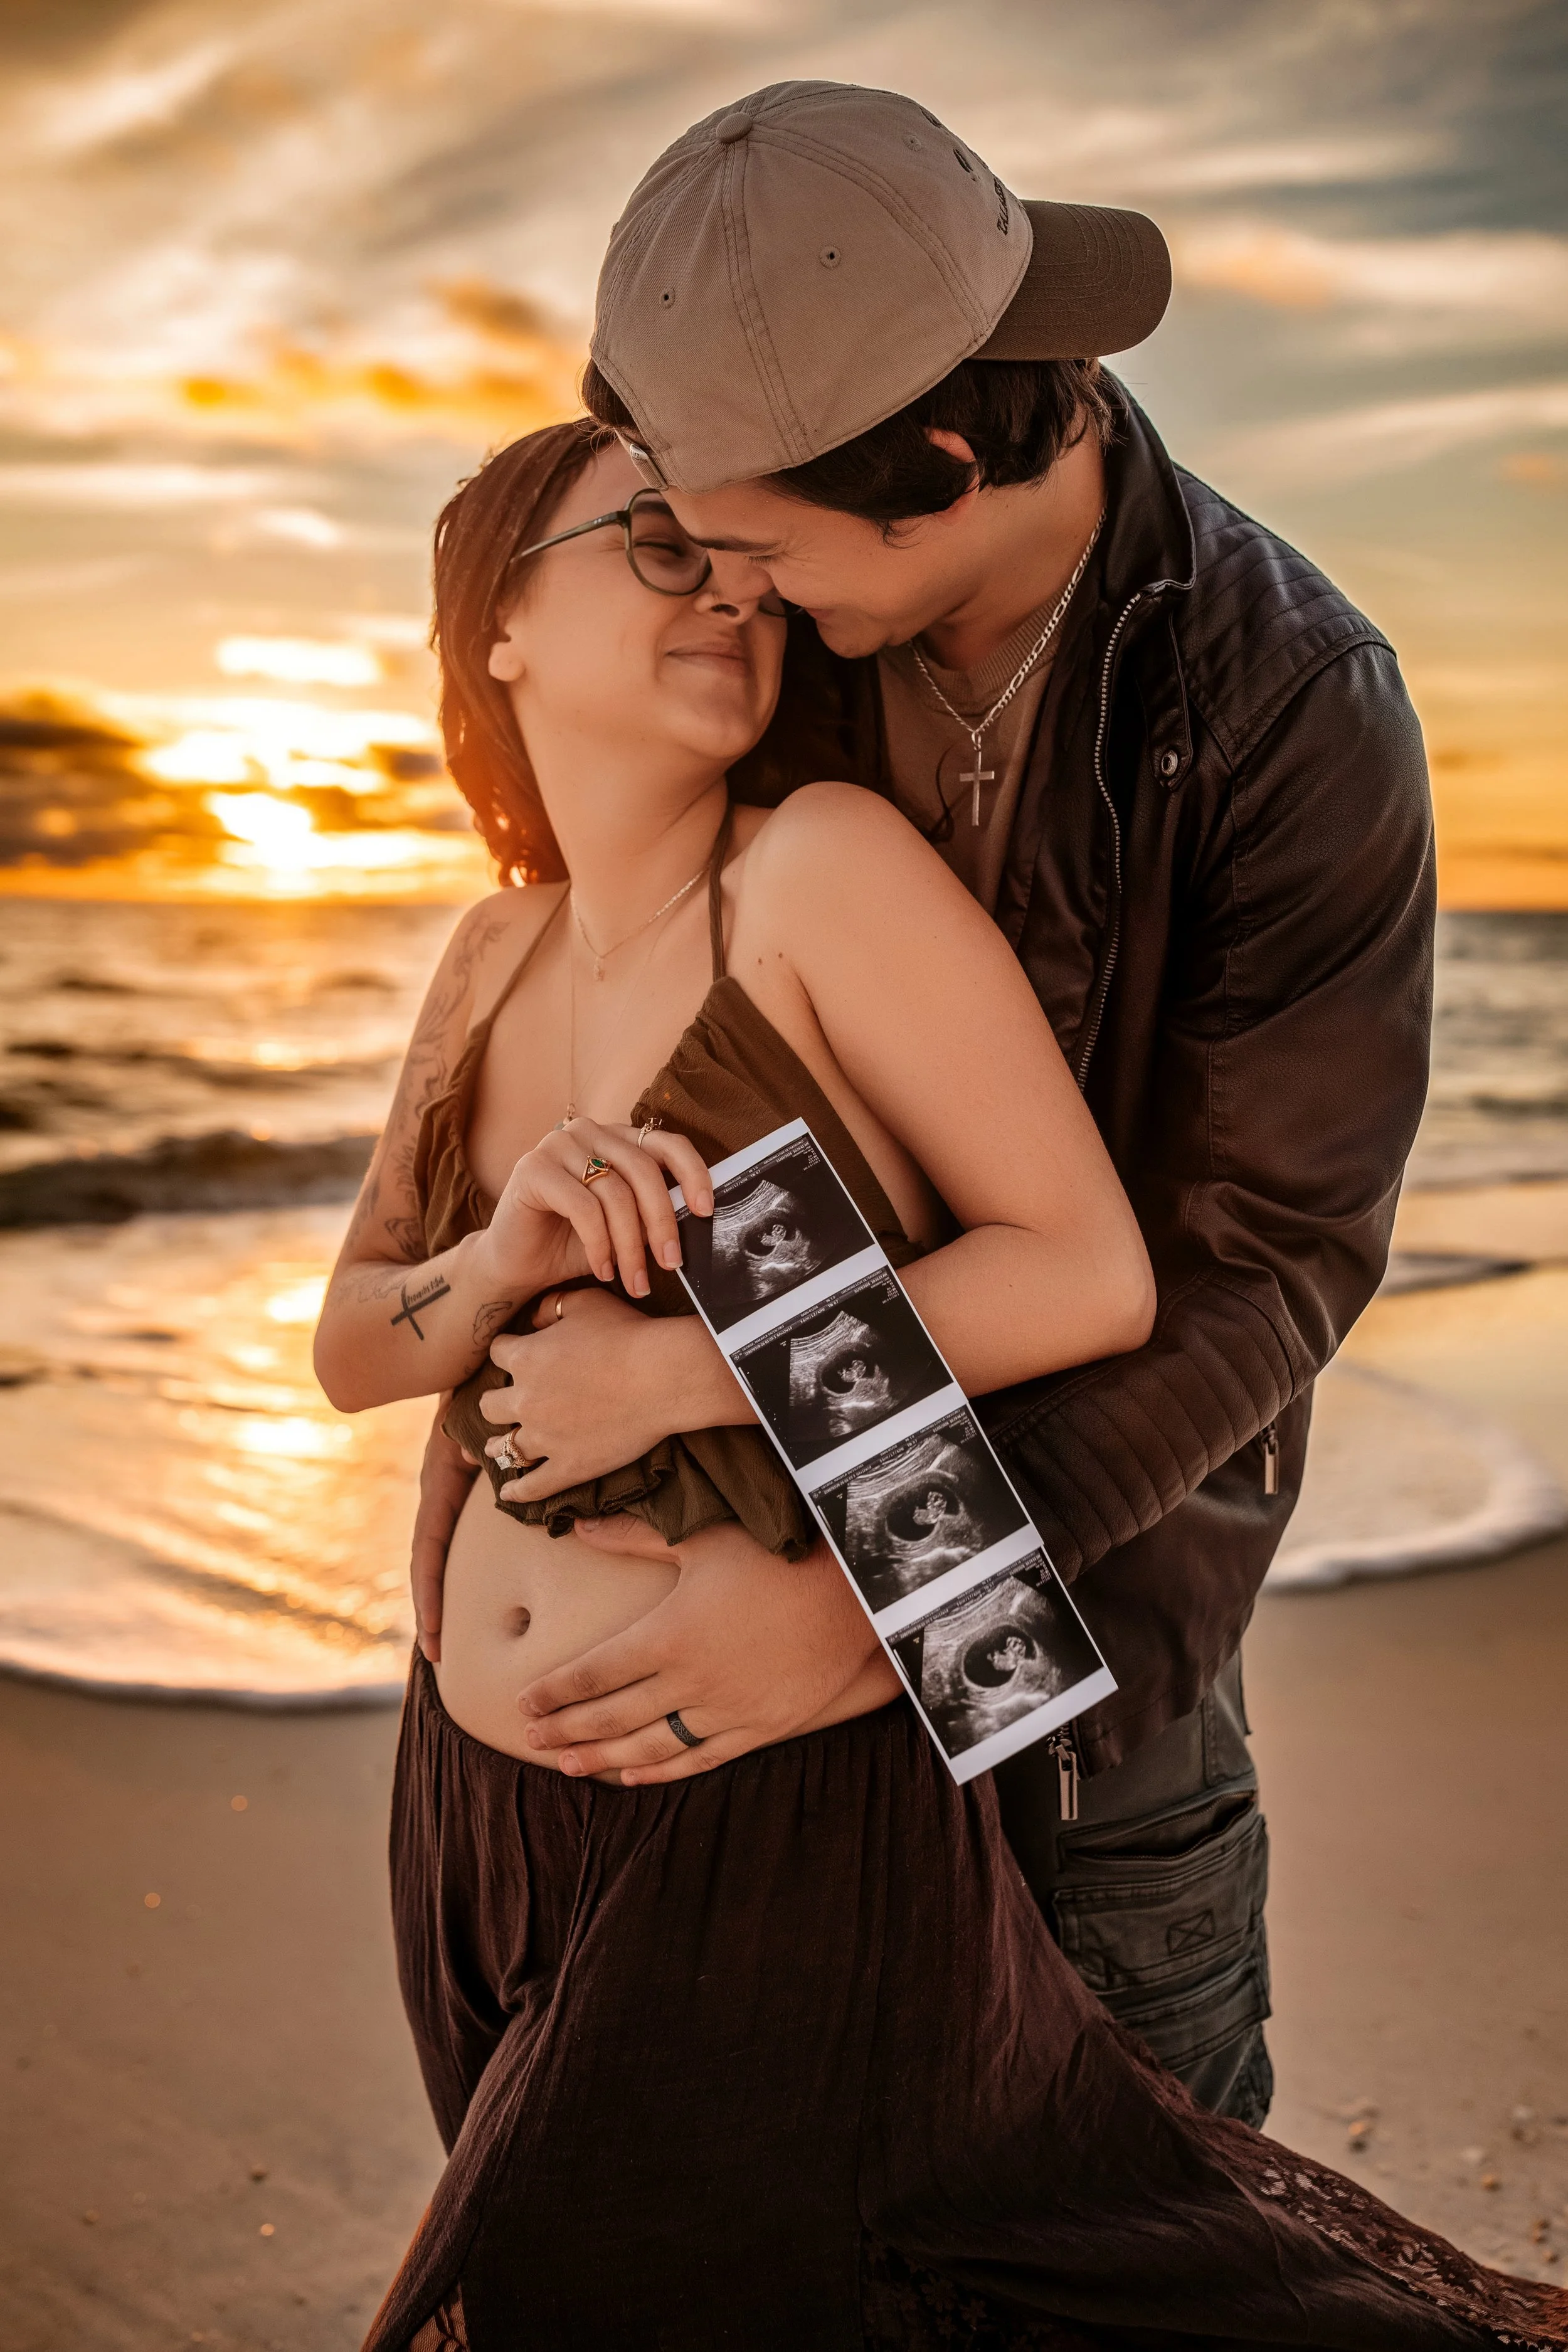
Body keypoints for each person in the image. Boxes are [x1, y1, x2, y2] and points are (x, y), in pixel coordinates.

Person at [319, 420, 1568, 2352]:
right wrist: (502, 1255)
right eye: (660, 542)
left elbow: (1088, 1271)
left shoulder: (818, 869)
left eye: (738, 550)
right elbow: (350, 1347)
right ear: (497, 625)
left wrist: (674, 1370)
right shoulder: (490, 951)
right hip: (471, 1801)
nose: (729, 579)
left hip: (751, 1786)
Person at [411, 78, 1439, 2131]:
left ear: (948, 453)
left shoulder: (1281, 706)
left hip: (1059, 1659)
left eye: (753, 542)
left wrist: (892, 1616)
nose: (726, 591)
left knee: (1125, 2226)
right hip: (686, 1668)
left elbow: (1271, 1262)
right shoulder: (769, 631)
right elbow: (609, 985)